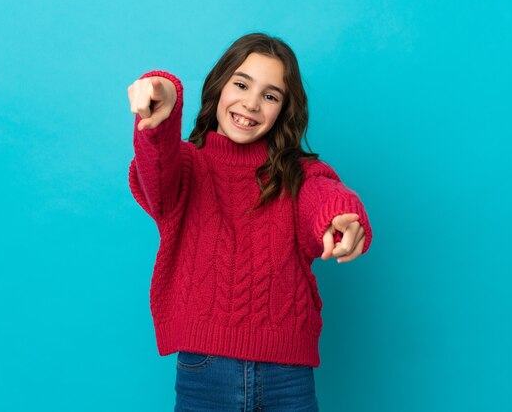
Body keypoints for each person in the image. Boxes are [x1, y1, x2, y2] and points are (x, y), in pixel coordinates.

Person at [127, 33, 373, 412]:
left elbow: (324, 193)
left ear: (283, 111)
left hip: (288, 376)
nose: (251, 103)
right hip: (205, 372)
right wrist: (164, 108)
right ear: (219, 86)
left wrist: (340, 218)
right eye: (241, 84)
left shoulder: (297, 172)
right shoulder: (187, 166)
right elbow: (156, 168)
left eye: (270, 96)